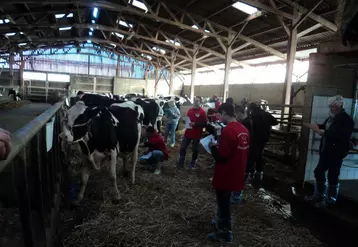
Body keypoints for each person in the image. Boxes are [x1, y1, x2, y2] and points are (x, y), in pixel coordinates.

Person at [208, 103, 249, 243]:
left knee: (224, 204)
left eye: (220, 114)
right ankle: (219, 222)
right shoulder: (243, 129)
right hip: (237, 172)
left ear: (225, 113)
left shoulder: (228, 131)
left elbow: (222, 157)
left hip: (225, 174)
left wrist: (212, 147)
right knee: (225, 202)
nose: (219, 117)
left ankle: (225, 234)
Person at [304, 95, 354, 208]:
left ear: (340, 106)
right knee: (318, 172)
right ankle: (319, 194)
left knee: (332, 176)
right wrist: (316, 126)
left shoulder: (347, 120)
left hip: (336, 152)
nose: (331, 108)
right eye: (330, 106)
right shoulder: (332, 117)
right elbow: (327, 127)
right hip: (326, 150)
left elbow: (340, 135)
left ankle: (330, 199)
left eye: (334, 106)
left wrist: (321, 132)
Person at [248, 102, 278, 180]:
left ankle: (250, 170)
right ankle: (259, 170)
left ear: (251, 109)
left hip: (254, 138)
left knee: (253, 154)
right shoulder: (266, 114)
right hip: (264, 138)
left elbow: (250, 127)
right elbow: (275, 122)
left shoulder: (252, 116)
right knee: (259, 153)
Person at [231, 105, 254, 204]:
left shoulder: (245, 124)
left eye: (236, 115)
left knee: (241, 173)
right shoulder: (248, 121)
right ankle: (237, 194)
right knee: (242, 172)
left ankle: (236, 196)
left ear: (240, 113)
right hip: (248, 149)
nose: (235, 118)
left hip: (246, 150)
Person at [178, 96, 207, 169]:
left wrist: (196, 124)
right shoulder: (190, 110)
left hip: (196, 134)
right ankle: (181, 162)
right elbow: (188, 120)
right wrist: (185, 121)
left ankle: (193, 163)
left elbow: (205, 124)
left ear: (200, 102)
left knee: (195, 149)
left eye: (197, 101)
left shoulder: (202, 112)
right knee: (183, 148)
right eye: (194, 100)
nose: (195, 102)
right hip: (188, 133)